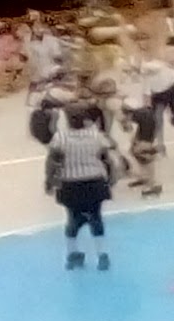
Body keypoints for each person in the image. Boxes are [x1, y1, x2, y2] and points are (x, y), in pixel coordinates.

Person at [50, 103, 123, 270]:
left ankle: (72, 253)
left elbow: (52, 161)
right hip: (94, 181)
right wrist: (112, 177)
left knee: (72, 217)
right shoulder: (96, 136)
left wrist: (50, 180)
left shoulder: (60, 138)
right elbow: (107, 158)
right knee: (96, 216)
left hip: (70, 183)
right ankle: (102, 254)